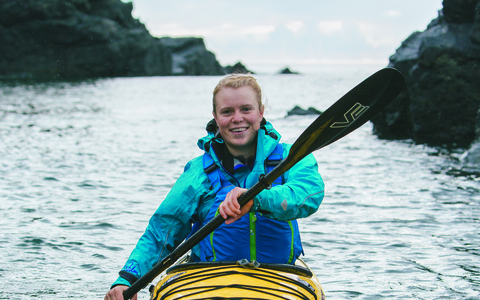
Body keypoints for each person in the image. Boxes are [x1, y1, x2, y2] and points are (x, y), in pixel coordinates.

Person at [105, 74, 325, 300]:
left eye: (246, 109)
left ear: (261, 112)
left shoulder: (292, 158)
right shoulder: (199, 172)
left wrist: (256, 199)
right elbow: (163, 230)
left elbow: (308, 195)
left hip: (279, 279)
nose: (237, 118)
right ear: (216, 117)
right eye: (227, 112)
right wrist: (127, 280)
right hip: (207, 283)